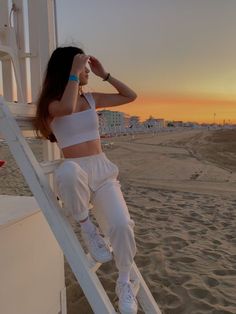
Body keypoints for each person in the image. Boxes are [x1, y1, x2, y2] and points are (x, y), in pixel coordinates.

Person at [35, 46, 138, 314]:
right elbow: (67, 107)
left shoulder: (91, 99)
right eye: (85, 68)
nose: (87, 73)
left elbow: (130, 96)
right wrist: (73, 71)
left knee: (122, 225)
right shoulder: (51, 105)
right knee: (67, 173)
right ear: (69, 70)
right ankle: (88, 229)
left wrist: (106, 75)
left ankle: (125, 281)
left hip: (102, 170)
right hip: (76, 170)